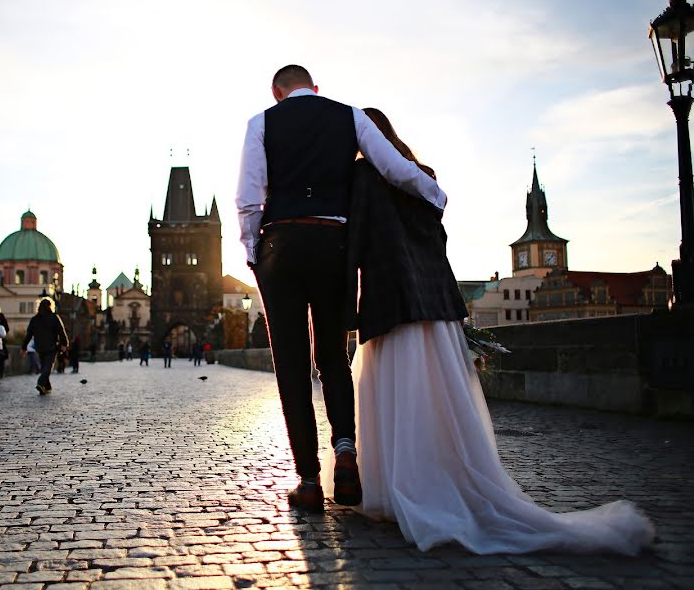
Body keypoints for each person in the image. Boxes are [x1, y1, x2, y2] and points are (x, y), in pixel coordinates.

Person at [317, 107, 655, 555]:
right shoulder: (423, 175)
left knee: (398, 400)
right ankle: (443, 480)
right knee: (438, 405)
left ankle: (400, 489)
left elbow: (354, 243)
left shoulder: (362, 179)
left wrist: (343, 314)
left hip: (390, 305)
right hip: (436, 308)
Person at [236, 65, 445, 511]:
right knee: (331, 353)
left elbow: (249, 198)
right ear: (316, 88)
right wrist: (434, 193)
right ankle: (346, 452)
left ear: (276, 93)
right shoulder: (349, 116)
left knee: (290, 363)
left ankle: (309, 481)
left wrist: (254, 251)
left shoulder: (262, 123)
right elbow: (392, 167)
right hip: (333, 243)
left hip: (281, 243)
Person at [21, 299, 68, 395]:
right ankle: (40, 382)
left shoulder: (34, 319)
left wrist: (24, 347)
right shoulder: (54, 317)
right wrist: (64, 344)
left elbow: (29, 335)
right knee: (48, 367)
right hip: (51, 346)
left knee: (44, 366)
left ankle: (46, 387)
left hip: (39, 346)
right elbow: (61, 331)